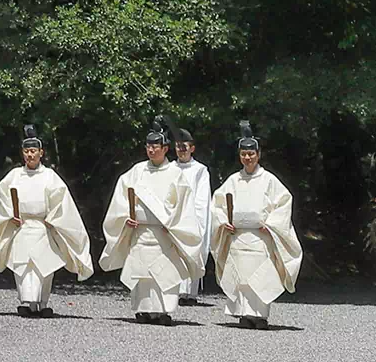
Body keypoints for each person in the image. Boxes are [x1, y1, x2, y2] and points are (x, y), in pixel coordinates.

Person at [0, 123, 93, 316]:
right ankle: (26, 302)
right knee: (22, 266)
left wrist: (53, 217)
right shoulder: (14, 176)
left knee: (44, 266)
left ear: (41, 153)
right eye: (26, 151)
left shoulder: (50, 176)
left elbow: (61, 200)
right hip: (21, 227)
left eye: (33, 151)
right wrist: (11, 215)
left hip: (42, 227)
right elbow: (4, 197)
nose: (30, 155)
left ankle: (43, 303)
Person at [101, 114, 202, 324]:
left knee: (163, 272)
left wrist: (173, 224)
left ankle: (164, 311)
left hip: (164, 233)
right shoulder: (136, 171)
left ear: (165, 148)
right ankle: (143, 310)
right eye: (148, 146)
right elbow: (122, 198)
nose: (151, 150)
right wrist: (126, 218)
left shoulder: (175, 173)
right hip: (140, 231)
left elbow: (183, 205)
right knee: (142, 272)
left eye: (156, 147)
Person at [209, 121, 302, 328]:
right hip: (238, 237)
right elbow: (217, 205)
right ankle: (244, 314)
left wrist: (271, 224)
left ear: (258, 155)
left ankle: (260, 316)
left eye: (251, 154)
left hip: (260, 237)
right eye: (244, 154)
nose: (247, 158)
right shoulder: (233, 180)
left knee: (260, 276)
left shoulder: (269, 180)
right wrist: (224, 222)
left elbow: (284, 202)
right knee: (240, 275)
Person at [173, 128, 214, 305]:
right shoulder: (169, 168)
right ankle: (174, 291)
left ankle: (189, 293)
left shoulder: (200, 170)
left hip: (191, 218)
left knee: (191, 252)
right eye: (178, 147)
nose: (181, 151)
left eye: (184, 147)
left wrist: (196, 219)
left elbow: (202, 199)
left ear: (192, 148)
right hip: (172, 219)